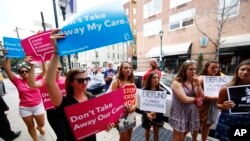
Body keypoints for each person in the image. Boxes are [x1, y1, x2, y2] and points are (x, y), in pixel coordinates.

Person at [45, 29, 114, 141]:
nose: (85, 82)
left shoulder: (91, 97)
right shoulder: (64, 101)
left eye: (87, 79)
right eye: (81, 80)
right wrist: (56, 50)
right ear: (71, 82)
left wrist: (105, 125)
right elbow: (49, 82)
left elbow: (97, 120)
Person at [3, 53, 46, 141]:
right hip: (25, 108)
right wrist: (8, 56)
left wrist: (42, 59)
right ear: (19, 74)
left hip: (38, 106)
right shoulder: (17, 81)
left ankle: (40, 128)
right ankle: (35, 140)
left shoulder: (36, 78)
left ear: (29, 71)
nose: (24, 72)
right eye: (21, 72)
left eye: (26, 70)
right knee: (30, 126)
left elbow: (45, 71)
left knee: (41, 125)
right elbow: (7, 69)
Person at [27, 60, 67, 141]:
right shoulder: (45, 81)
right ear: (49, 69)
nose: (57, 70)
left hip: (67, 110)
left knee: (71, 134)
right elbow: (31, 84)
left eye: (59, 68)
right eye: (54, 68)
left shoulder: (66, 79)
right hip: (54, 113)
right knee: (62, 136)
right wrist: (32, 65)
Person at [215, 59, 250, 141]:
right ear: (238, 71)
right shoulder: (226, 88)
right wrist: (224, 106)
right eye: (242, 69)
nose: (245, 72)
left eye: (249, 70)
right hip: (230, 122)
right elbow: (218, 104)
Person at [169, 60, 204, 141]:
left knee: (185, 133)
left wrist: (198, 85)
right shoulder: (177, 82)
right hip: (180, 113)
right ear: (184, 70)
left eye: (195, 69)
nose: (194, 71)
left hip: (191, 112)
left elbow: (202, 96)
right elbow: (184, 99)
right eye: (191, 69)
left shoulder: (194, 82)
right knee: (178, 137)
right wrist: (196, 99)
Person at [109, 61, 137, 141]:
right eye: (125, 68)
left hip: (131, 113)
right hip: (120, 114)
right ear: (121, 69)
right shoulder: (116, 82)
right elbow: (113, 101)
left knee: (129, 135)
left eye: (130, 68)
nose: (128, 69)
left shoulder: (132, 82)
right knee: (123, 137)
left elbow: (134, 97)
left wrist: (134, 107)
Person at [197, 60, 221, 141]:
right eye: (212, 67)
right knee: (198, 124)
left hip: (214, 105)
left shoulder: (219, 79)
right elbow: (197, 93)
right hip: (203, 105)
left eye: (217, 67)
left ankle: (203, 139)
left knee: (208, 125)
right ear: (207, 68)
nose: (215, 69)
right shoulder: (201, 78)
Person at [141, 72, 164, 141]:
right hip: (146, 114)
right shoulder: (144, 90)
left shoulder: (161, 90)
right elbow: (143, 104)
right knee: (147, 131)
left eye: (157, 78)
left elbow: (162, 105)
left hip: (157, 115)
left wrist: (155, 113)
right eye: (154, 78)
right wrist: (147, 113)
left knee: (156, 132)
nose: (156, 79)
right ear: (150, 79)